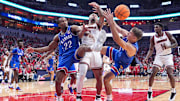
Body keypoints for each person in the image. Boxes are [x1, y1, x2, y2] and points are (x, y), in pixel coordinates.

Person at [26, 17, 91, 101]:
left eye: (65, 20)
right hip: (64, 57)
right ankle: (59, 97)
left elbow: (80, 33)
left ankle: (73, 84)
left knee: (83, 47)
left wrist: (83, 30)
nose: (64, 22)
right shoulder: (58, 37)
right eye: (62, 21)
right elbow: (49, 48)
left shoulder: (72, 28)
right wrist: (34, 49)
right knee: (58, 80)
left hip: (75, 53)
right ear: (59, 25)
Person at [101, 9, 143, 101]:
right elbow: (118, 29)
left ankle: (109, 98)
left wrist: (111, 23)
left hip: (121, 63)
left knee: (106, 79)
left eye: (130, 33)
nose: (128, 33)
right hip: (117, 54)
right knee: (98, 48)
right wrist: (109, 19)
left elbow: (116, 39)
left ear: (134, 38)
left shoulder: (132, 48)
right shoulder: (127, 35)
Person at [76, 2, 106, 101]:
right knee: (82, 74)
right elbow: (79, 36)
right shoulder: (82, 27)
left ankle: (98, 96)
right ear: (89, 19)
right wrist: (84, 30)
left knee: (99, 77)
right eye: (92, 15)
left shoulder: (98, 26)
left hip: (96, 52)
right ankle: (78, 96)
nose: (94, 15)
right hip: (85, 51)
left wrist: (98, 7)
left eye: (95, 15)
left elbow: (102, 16)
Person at [144, 22, 178, 101]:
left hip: (168, 56)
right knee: (153, 73)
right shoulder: (152, 37)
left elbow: (175, 44)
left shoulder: (167, 34)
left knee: (170, 73)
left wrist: (168, 46)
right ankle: (149, 91)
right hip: (159, 56)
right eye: (154, 27)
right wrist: (146, 58)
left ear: (161, 28)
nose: (155, 28)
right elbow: (151, 49)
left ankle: (173, 91)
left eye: (157, 27)